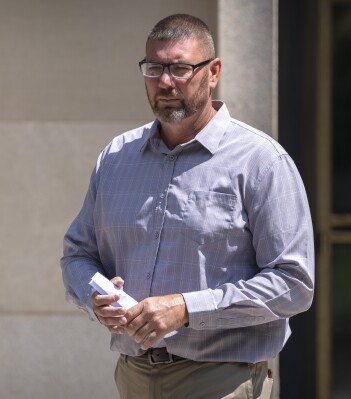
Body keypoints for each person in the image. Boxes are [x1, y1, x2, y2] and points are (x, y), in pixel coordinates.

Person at [61, 13, 314, 399]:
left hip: (223, 381)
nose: (165, 82)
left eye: (180, 68)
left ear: (213, 72)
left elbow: (294, 284)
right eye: (154, 68)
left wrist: (186, 308)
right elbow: (78, 254)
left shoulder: (261, 161)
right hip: (132, 378)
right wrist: (96, 298)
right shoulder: (116, 157)